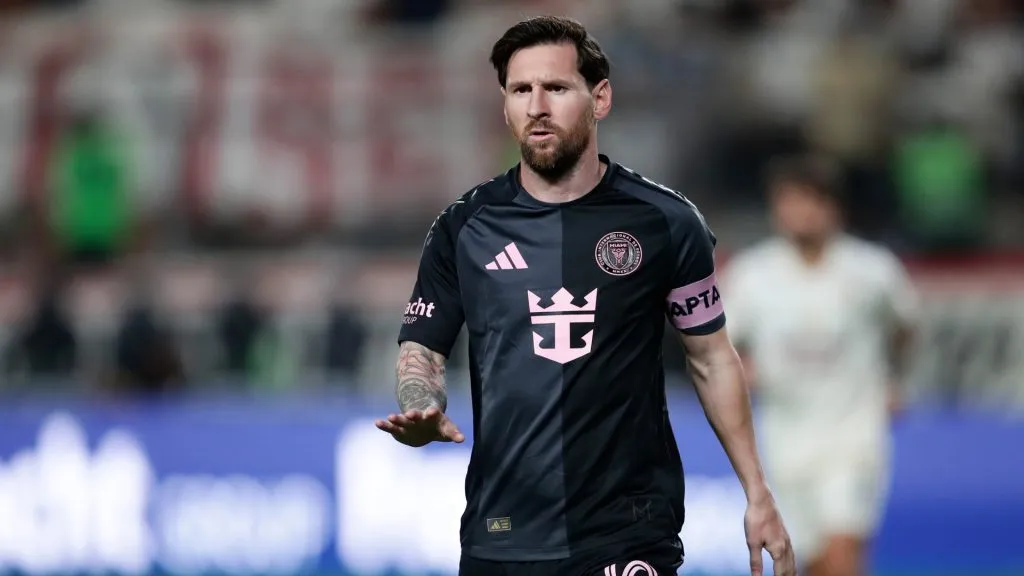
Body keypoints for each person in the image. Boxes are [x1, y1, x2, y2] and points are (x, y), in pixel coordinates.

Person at [375, 15, 796, 576]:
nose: (536, 106)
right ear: (504, 104)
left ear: (600, 98)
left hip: (628, 530)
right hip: (503, 530)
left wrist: (756, 491)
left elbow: (711, 356)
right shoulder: (464, 228)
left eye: (556, 88)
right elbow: (422, 351)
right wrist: (420, 408)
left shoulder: (665, 222)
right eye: (520, 90)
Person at [722, 155, 917, 576]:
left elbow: (904, 329)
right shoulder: (752, 275)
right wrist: (744, 372)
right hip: (786, 437)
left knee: (844, 550)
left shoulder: (872, 271)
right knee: (806, 560)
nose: (801, 213)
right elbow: (721, 347)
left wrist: (895, 381)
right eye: (790, 201)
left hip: (853, 433)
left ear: (834, 207)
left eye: (811, 201)